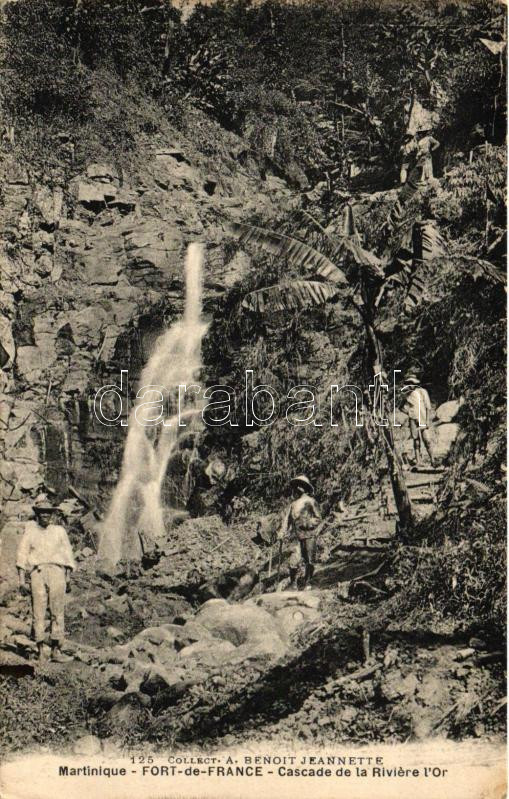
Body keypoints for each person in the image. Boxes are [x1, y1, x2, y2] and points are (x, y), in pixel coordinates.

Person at [16, 495, 76, 662]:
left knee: (57, 610)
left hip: (57, 572)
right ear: (37, 514)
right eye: (42, 512)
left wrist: (68, 577)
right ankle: (41, 649)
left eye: (48, 512)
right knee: (39, 611)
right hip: (38, 572)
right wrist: (21, 580)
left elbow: (67, 554)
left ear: (52, 514)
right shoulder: (31, 531)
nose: (45, 515)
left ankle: (56, 649)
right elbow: (22, 554)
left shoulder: (59, 531)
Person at [277, 475, 323, 591]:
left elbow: (318, 517)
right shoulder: (293, 504)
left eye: (301, 485)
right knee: (294, 560)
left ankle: (308, 582)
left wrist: (309, 523)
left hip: (309, 534)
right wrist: (282, 532)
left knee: (309, 559)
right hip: (296, 535)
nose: (298, 488)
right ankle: (293, 583)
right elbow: (286, 520)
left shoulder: (312, 502)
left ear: (305, 488)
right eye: (297, 485)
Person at [403, 375, 436, 469]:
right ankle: (418, 461)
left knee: (427, 440)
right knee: (416, 441)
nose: (410, 385)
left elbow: (428, 407)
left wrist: (427, 421)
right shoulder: (407, 394)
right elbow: (401, 407)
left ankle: (433, 460)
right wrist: (408, 412)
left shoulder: (422, 392)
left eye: (412, 383)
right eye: (409, 384)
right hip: (413, 419)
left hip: (423, 419)